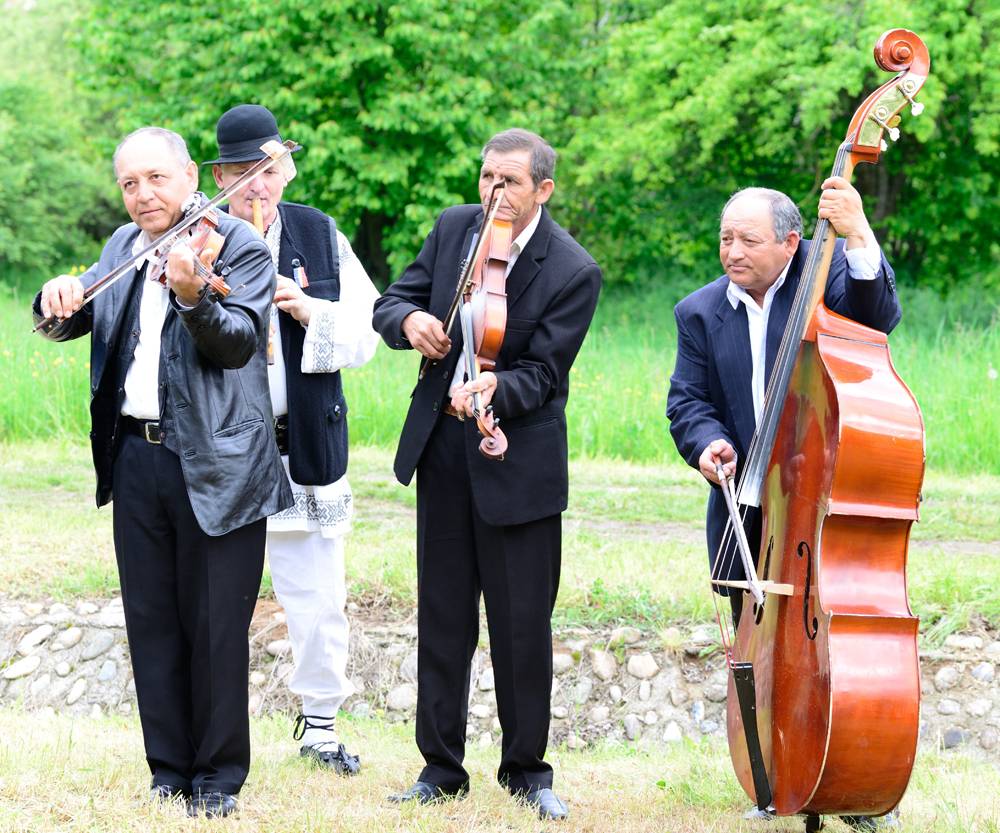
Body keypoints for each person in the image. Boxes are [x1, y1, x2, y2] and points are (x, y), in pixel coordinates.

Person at [33, 127, 290, 818]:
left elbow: (238, 345)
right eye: (129, 183)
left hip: (219, 461)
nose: (143, 193)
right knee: (152, 618)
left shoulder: (237, 242)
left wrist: (191, 297)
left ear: (187, 175)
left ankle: (217, 775)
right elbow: (81, 309)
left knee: (214, 624)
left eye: (155, 178)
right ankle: (168, 767)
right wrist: (55, 296)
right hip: (137, 456)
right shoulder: (122, 246)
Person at [372, 128, 601, 821]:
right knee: (442, 615)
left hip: (518, 460)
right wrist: (411, 320)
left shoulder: (572, 269)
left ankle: (527, 770)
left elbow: (545, 375)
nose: (494, 193)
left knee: (521, 623)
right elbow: (390, 301)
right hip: (444, 446)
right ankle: (440, 767)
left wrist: (494, 388)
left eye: (511, 182)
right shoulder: (454, 231)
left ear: (544, 190)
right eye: (487, 178)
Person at [665, 180, 901, 832]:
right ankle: (775, 777)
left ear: (791, 242)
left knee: (837, 654)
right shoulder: (698, 311)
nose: (731, 250)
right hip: (749, 516)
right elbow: (686, 402)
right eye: (724, 238)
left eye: (747, 239)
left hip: (828, 508)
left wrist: (856, 233)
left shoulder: (823, 285)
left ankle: (850, 781)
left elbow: (877, 316)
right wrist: (708, 443)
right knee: (764, 658)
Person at [206, 104, 379, 774]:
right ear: (219, 175)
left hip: (304, 441)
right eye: (243, 170)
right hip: (226, 448)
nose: (257, 183)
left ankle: (321, 727)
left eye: (269, 169)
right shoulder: (201, 233)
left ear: (285, 170)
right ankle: (215, 729)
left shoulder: (318, 231)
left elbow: (369, 334)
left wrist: (310, 310)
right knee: (217, 597)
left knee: (318, 594)